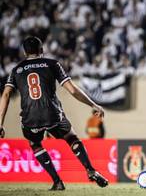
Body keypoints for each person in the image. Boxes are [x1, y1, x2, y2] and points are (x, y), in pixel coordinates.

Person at [0, 36, 108, 191]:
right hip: (52, 114)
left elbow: (5, 95)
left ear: (25, 53)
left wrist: (1, 123)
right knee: (71, 137)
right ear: (41, 50)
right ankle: (90, 169)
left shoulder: (16, 70)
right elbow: (72, 90)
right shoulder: (52, 64)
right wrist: (93, 104)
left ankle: (57, 181)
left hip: (30, 118)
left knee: (35, 143)